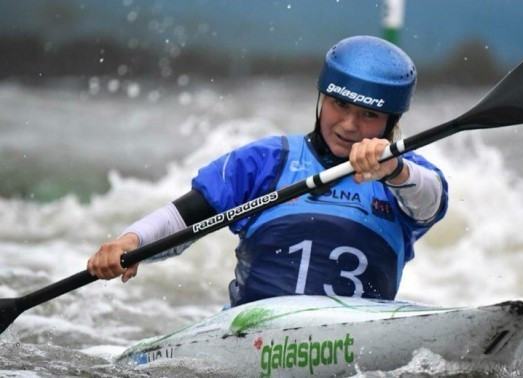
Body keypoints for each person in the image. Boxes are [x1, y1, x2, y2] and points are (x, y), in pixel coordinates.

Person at [87, 35, 449, 307]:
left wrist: (395, 170)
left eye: (369, 114)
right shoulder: (267, 161)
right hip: (254, 337)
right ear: (322, 98)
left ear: (390, 122)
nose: (350, 125)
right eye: (339, 104)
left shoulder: (406, 174)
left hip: (358, 343)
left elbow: (430, 202)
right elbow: (183, 218)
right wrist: (130, 242)